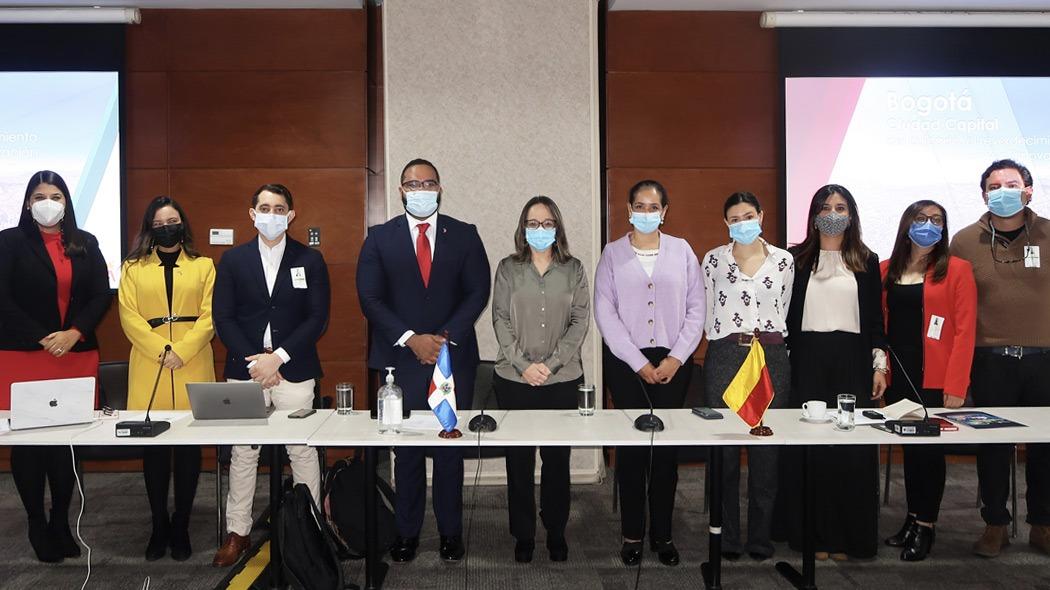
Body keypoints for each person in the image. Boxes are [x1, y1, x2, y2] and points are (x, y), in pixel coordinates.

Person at [356, 158, 490, 562]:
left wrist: (443, 340)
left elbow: (477, 292)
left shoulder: (465, 235)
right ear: (400, 191)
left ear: (440, 188)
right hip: (401, 361)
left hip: (451, 359)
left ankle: (451, 533)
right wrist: (412, 339)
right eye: (412, 183)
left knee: (449, 448)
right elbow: (370, 298)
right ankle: (407, 533)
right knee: (407, 451)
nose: (420, 188)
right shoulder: (379, 238)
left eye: (428, 182)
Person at [210, 183, 330, 567]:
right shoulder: (233, 260)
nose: (272, 214)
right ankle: (238, 533)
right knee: (243, 452)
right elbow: (223, 317)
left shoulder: (310, 260)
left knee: (303, 450)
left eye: (280, 209)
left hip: (294, 369)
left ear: (291, 215)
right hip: (244, 370)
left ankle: (312, 529)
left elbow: (317, 318)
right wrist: (255, 362)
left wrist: (276, 358)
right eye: (265, 207)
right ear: (252, 213)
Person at [0, 170, 112, 562]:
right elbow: (2, 299)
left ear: (67, 202)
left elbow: (100, 294)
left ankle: (60, 519)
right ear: (28, 203)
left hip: (75, 353)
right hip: (23, 354)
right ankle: (35, 521)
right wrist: (44, 336)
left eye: (56, 195)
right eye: (40, 196)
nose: (49, 202)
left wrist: (74, 332)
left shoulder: (86, 242)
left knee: (65, 443)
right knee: (29, 444)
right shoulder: (9, 242)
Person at [594, 179, 704, 567]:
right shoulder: (612, 254)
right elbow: (605, 313)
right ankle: (632, 535)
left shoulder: (683, 251)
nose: (645, 213)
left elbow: (696, 310)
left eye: (652, 206)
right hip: (627, 364)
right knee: (632, 453)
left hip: (674, 363)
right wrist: (638, 363)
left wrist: (674, 359)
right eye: (638, 206)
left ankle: (663, 534)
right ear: (627, 210)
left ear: (665, 211)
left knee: (665, 455)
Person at [779, 183, 886, 561]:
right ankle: (813, 535)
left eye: (841, 207)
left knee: (850, 449)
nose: (833, 213)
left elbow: (875, 320)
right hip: (807, 360)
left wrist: (879, 366)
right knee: (812, 446)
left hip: (851, 361)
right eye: (826, 206)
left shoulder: (866, 260)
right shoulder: (795, 259)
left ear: (852, 215)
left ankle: (848, 537)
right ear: (813, 214)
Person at [950, 159, 1050, 558]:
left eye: (1012, 183)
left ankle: (1042, 524)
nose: (1003, 190)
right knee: (993, 445)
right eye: (995, 185)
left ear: (1029, 190)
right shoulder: (962, 240)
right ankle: (995, 523)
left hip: (1045, 359)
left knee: (1045, 447)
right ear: (984, 194)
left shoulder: (1048, 233)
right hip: (990, 359)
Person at [491, 196, 589, 564]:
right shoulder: (507, 268)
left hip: (562, 380)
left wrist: (550, 365)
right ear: (522, 229)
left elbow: (580, 321)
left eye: (547, 223)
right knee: (518, 462)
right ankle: (524, 534)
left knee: (556, 461)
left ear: (558, 228)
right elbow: (500, 319)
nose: (540, 230)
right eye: (533, 223)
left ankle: (557, 532)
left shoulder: (574, 269)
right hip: (514, 379)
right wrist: (523, 366)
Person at [118, 196, 216, 561]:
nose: (166, 228)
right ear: (149, 228)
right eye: (158, 224)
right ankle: (158, 523)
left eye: (172, 221)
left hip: (192, 361)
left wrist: (183, 351)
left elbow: (210, 316)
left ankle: (182, 524)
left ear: (183, 224)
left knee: (189, 451)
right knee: (155, 450)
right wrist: (162, 351)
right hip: (151, 363)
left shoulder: (204, 265)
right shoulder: (132, 268)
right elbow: (129, 317)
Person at [879, 200, 976, 561]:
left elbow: (965, 331)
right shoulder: (886, 269)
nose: (928, 225)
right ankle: (912, 517)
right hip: (898, 376)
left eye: (937, 220)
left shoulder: (958, 270)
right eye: (921, 219)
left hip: (936, 378)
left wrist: (957, 384)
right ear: (907, 225)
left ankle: (927, 527)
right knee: (910, 450)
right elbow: (880, 325)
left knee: (930, 454)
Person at [701, 192, 793, 562]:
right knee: (723, 449)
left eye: (749, 215)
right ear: (726, 223)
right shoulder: (713, 261)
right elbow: (708, 310)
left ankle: (760, 537)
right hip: (726, 356)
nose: (743, 222)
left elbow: (783, 308)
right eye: (734, 218)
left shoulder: (784, 261)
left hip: (770, 355)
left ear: (762, 215)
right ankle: (726, 536)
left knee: (766, 451)